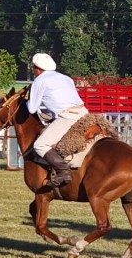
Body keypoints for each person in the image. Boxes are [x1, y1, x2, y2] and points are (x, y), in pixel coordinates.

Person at [26, 53, 88, 187]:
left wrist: (24, 101)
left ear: (37, 69)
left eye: (34, 68)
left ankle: (63, 170)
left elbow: (32, 109)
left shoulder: (39, 80)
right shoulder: (66, 78)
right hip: (84, 113)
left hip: (68, 117)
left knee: (39, 145)